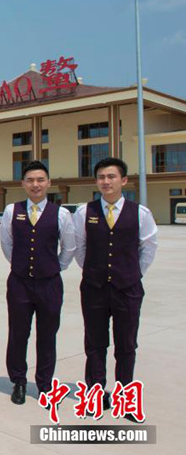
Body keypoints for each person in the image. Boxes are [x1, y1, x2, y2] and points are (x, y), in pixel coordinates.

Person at [73, 157, 157, 421]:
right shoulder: (84, 212)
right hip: (94, 288)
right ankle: (96, 396)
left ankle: (125, 399)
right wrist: (95, 272)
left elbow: (148, 248)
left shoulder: (140, 213)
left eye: (111, 177)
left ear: (124, 180)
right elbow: (80, 248)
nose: (106, 182)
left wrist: (133, 274)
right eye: (101, 177)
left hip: (127, 289)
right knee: (95, 345)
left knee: (126, 345)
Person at [0, 160, 75, 405]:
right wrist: (22, 266)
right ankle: (18, 381)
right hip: (20, 283)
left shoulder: (61, 214)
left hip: (49, 284)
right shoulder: (12, 210)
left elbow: (69, 248)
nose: (35, 185)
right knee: (18, 334)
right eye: (30, 180)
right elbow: (7, 244)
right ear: (23, 184)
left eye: (40, 180)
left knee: (47, 335)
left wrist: (54, 268)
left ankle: (44, 384)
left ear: (49, 183)